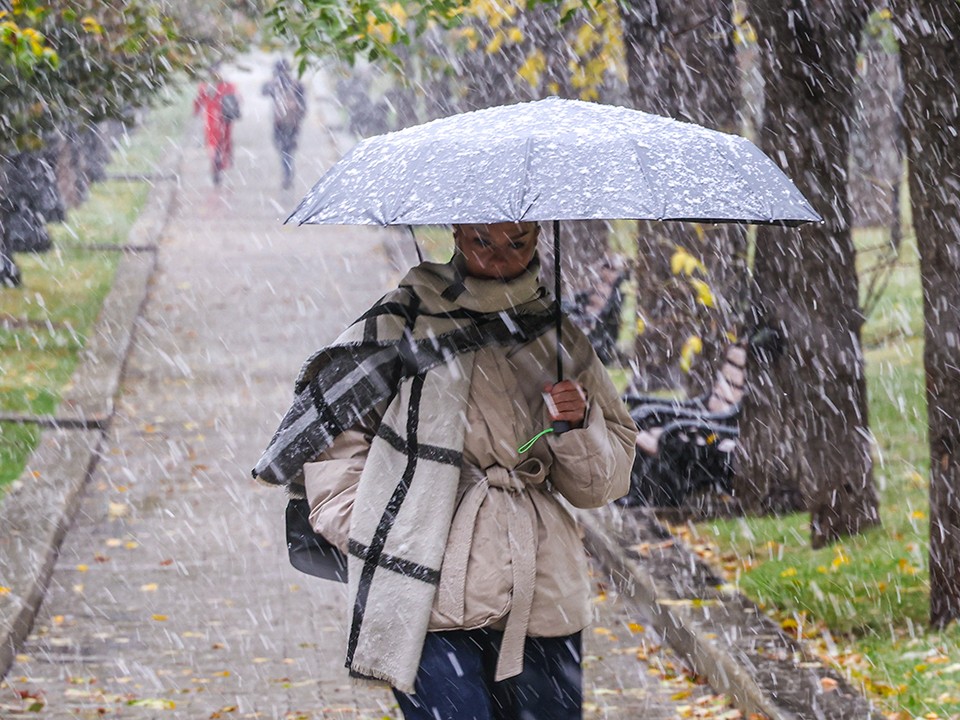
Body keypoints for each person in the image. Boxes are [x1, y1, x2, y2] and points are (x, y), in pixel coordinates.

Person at [253, 221, 636, 719]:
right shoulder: (402, 325)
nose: (499, 258)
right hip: (424, 590)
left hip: (542, 587)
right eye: (483, 242)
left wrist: (577, 425)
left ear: (538, 236)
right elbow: (332, 450)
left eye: (516, 244)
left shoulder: (558, 338)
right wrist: (379, 529)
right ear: (457, 233)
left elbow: (601, 485)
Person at [261, 59, 306, 189]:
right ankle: (288, 172)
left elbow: (263, 91)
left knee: (283, 149)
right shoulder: (296, 85)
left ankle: (287, 172)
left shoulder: (275, 84)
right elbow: (303, 106)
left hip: (280, 122)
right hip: (293, 122)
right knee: (288, 149)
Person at [193, 65, 239, 185]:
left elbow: (198, 101)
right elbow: (237, 99)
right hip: (225, 119)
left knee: (214, 144)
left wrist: (196, 111)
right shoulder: (228, 86)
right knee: (224, 143)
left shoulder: (205, 86)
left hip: (212, 120)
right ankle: (222, 162)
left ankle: (217, 165)